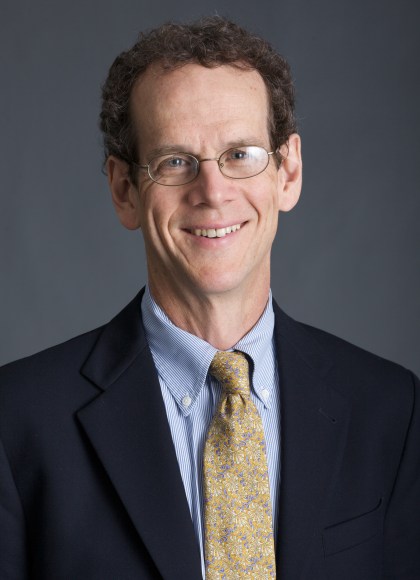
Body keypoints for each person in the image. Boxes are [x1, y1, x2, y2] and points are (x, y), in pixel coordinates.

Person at [0, 16, 419, 580]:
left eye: (240, 154)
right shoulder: (17, 421)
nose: (213, 192)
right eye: (175, 161)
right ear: (125, 190)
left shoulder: (391, 410)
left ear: (288, 172)